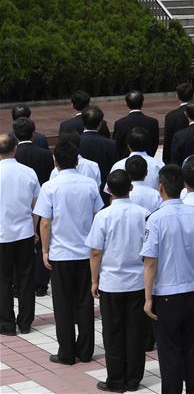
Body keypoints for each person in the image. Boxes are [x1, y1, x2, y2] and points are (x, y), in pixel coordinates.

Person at [141, 164, 194, 394]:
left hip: (166, 296)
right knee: (193, 351)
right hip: (193, 292)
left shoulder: (155, 219)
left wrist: (147, 298)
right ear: (182, 185)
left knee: (170, 353)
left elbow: (150, 261)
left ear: (160, 187)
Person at [34, 139, 104, 365]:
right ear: (77, 160)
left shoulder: (50, 186)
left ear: (55, 162)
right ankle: (85, 351)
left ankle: (66, 351)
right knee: (85, 302)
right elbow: (97, 217)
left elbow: (45, 222)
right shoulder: (90, 184)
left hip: (61, 254)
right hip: (85, 253)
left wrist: (45, 251)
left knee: (63, 304)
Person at [86, 170, 149, 392]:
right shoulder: (144, 213)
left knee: (113, 332)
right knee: (135, 331)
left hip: (111, 282)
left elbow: (95, 251)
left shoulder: (103, 216)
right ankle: (133, 379)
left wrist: (94, 280)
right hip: (138, 282)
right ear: (130, 187)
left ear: (108, 190)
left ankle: (116, 379)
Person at [0, 134, 40, 336]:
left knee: (3, 279)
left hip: (1, 234)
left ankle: (6, 323)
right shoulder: (28, 172)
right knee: (25, 278)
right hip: (24, 231)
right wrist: (33, 229)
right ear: (15, 149)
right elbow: (36, 206)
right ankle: (25, 322)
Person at [113, 90, 160, 158]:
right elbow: (154, 144)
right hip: (147, 159)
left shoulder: (120, 124)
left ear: (127, 104)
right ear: (142, 103)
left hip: (126, 161)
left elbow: (118, 145)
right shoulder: (152, 122)